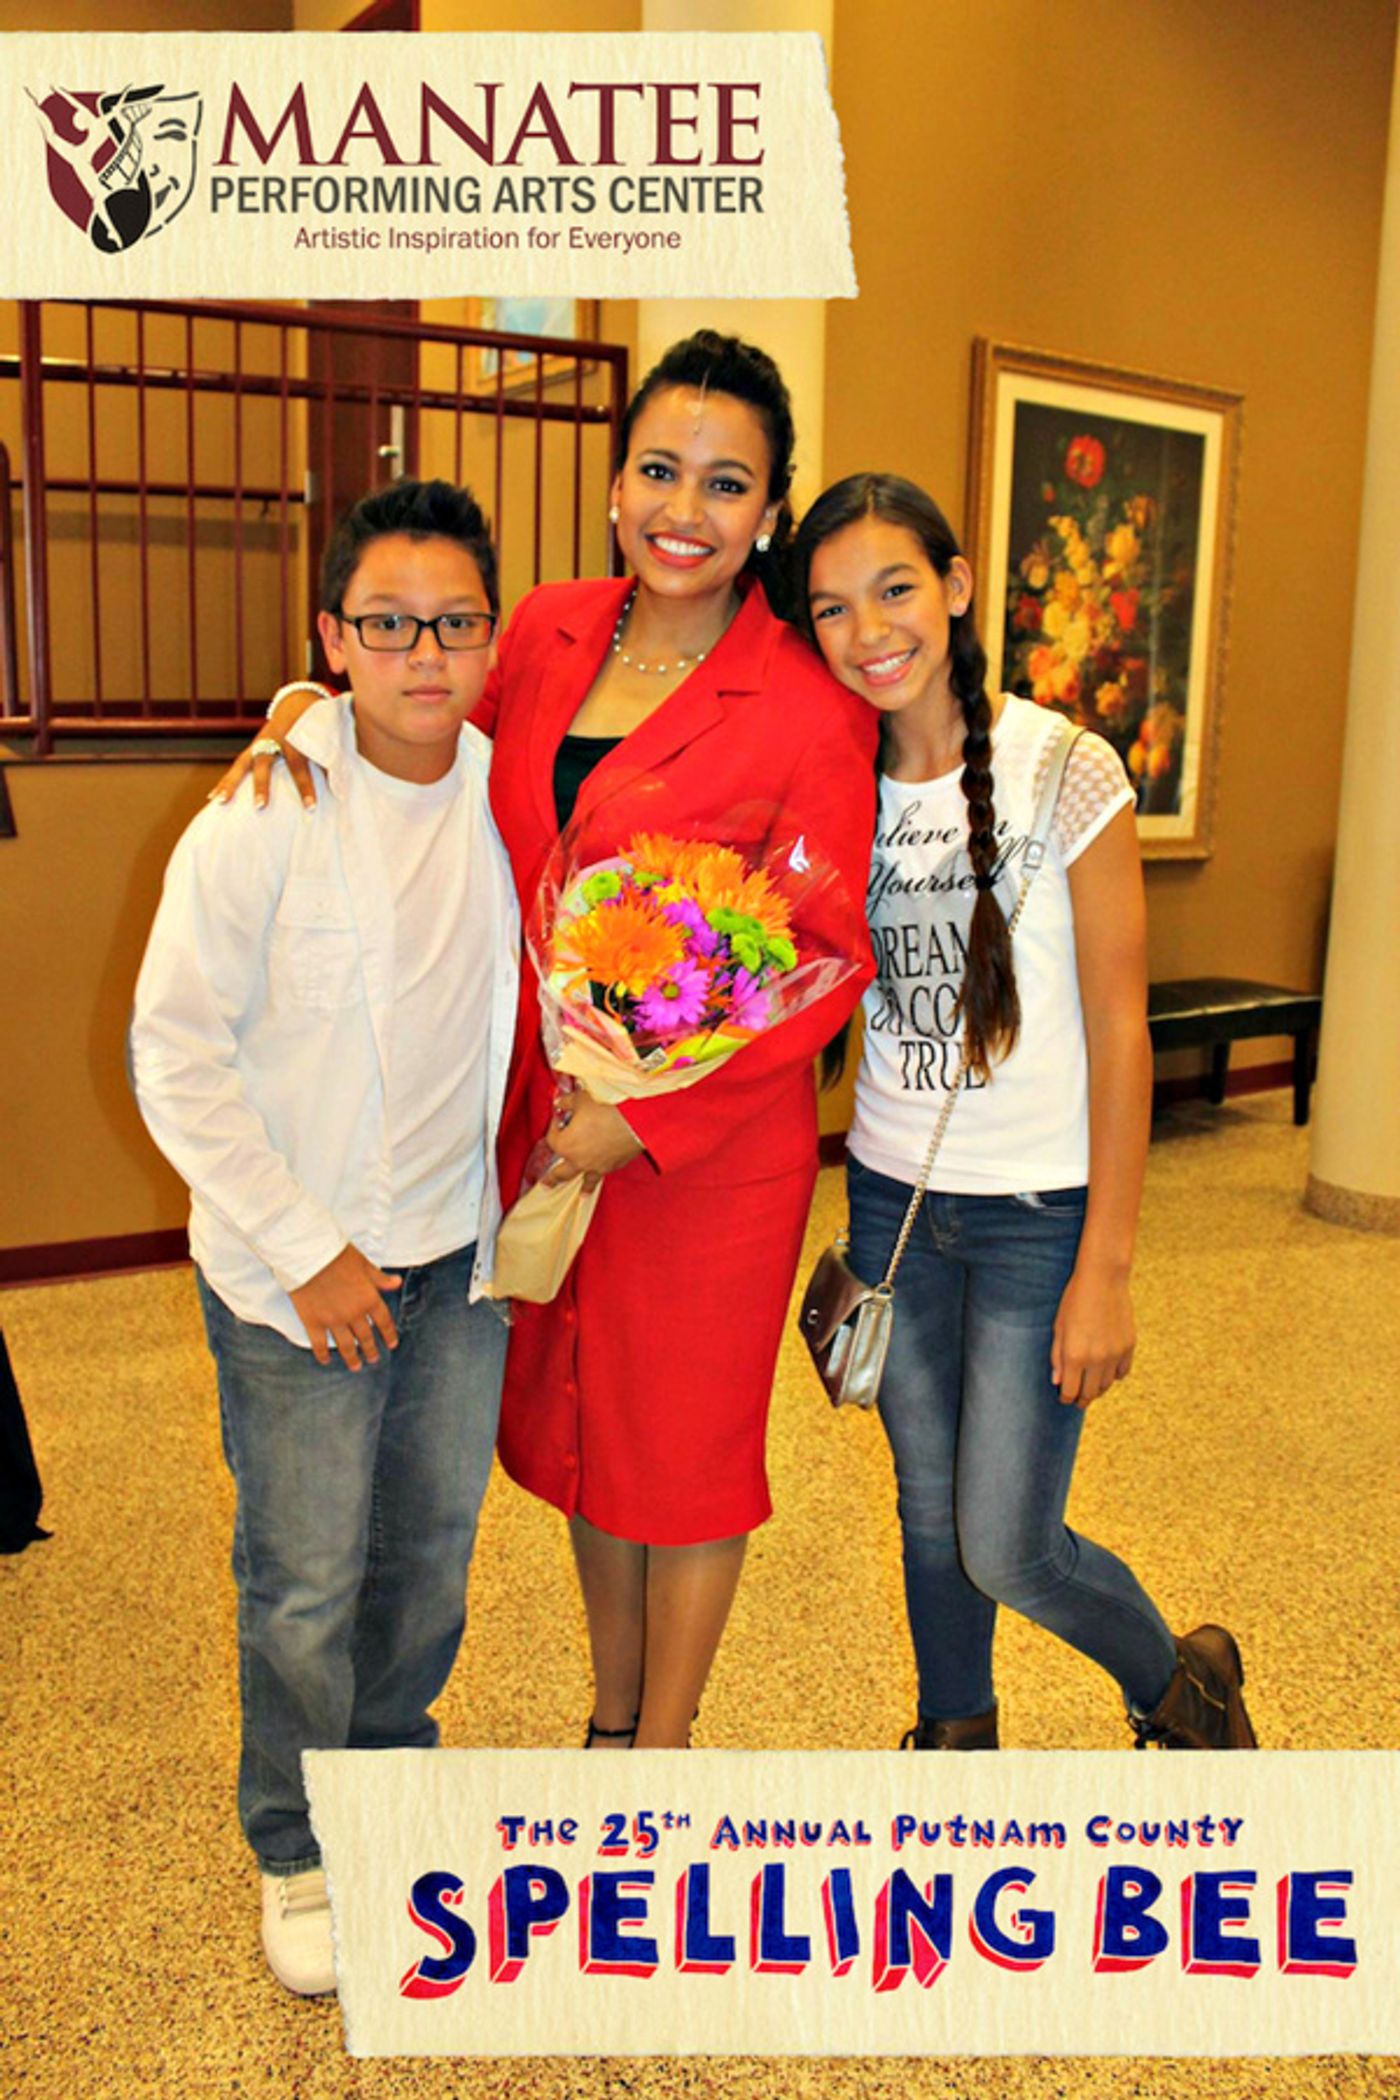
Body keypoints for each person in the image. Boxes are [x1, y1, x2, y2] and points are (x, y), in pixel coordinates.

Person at [213, 334, 878, 1753]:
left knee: (684, 1461)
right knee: (586, 1437)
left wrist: (648, 1117)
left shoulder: (809, 701)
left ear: (771, 510)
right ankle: (607, 1716)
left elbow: (822, 957)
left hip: (703, 1160)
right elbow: (422, 723)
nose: (682, 509)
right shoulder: (555, 629)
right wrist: (298, 714)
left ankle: (663, 1755)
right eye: (657, 469)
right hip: (543, 1123)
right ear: (617, 478)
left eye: (725, 482)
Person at [791, 472, 1257, 1752]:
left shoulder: (1065, 768)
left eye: (893, 589)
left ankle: (1184, 1684)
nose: (867, 630)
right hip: (889, 1203)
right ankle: (956, 1737)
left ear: (952, 588)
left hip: (1035, 1219)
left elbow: (1119, 1028)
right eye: (830, 608)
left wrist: (1105, 1263)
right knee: (925, 1510)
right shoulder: (830, 773)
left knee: (1006, 1542)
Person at [131, 479, 520, 1995]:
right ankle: (294, 1845)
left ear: (491, 638)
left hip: (459, 1259)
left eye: (455, 624)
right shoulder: (265, 810)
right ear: (334, 638)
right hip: (296, 1274)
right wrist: (305, 1250)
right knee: (302, 1578)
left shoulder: (511, 788)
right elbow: (175, 1055)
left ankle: (385, 1793)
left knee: (425, 1565)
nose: (425, 653)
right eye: (387, 625)